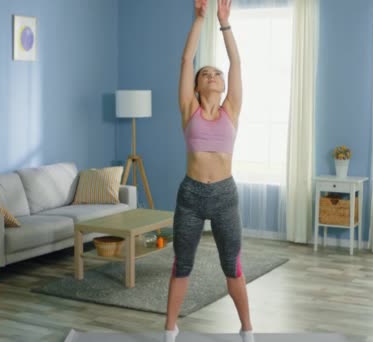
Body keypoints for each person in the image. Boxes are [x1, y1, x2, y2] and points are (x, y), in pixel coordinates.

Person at [163, 0, 254, 342]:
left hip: (224, 196)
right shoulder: (189, 109)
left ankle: (247, 330)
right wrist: (200, 20)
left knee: (232, 265)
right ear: (198, 87)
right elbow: (186, 60)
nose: (213, 75)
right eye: (206, 74)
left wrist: (224, 23)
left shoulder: (232, 108)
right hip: (191, 196)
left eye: (216, 74)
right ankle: (170, 331)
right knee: (181, 264)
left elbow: (236, 62)